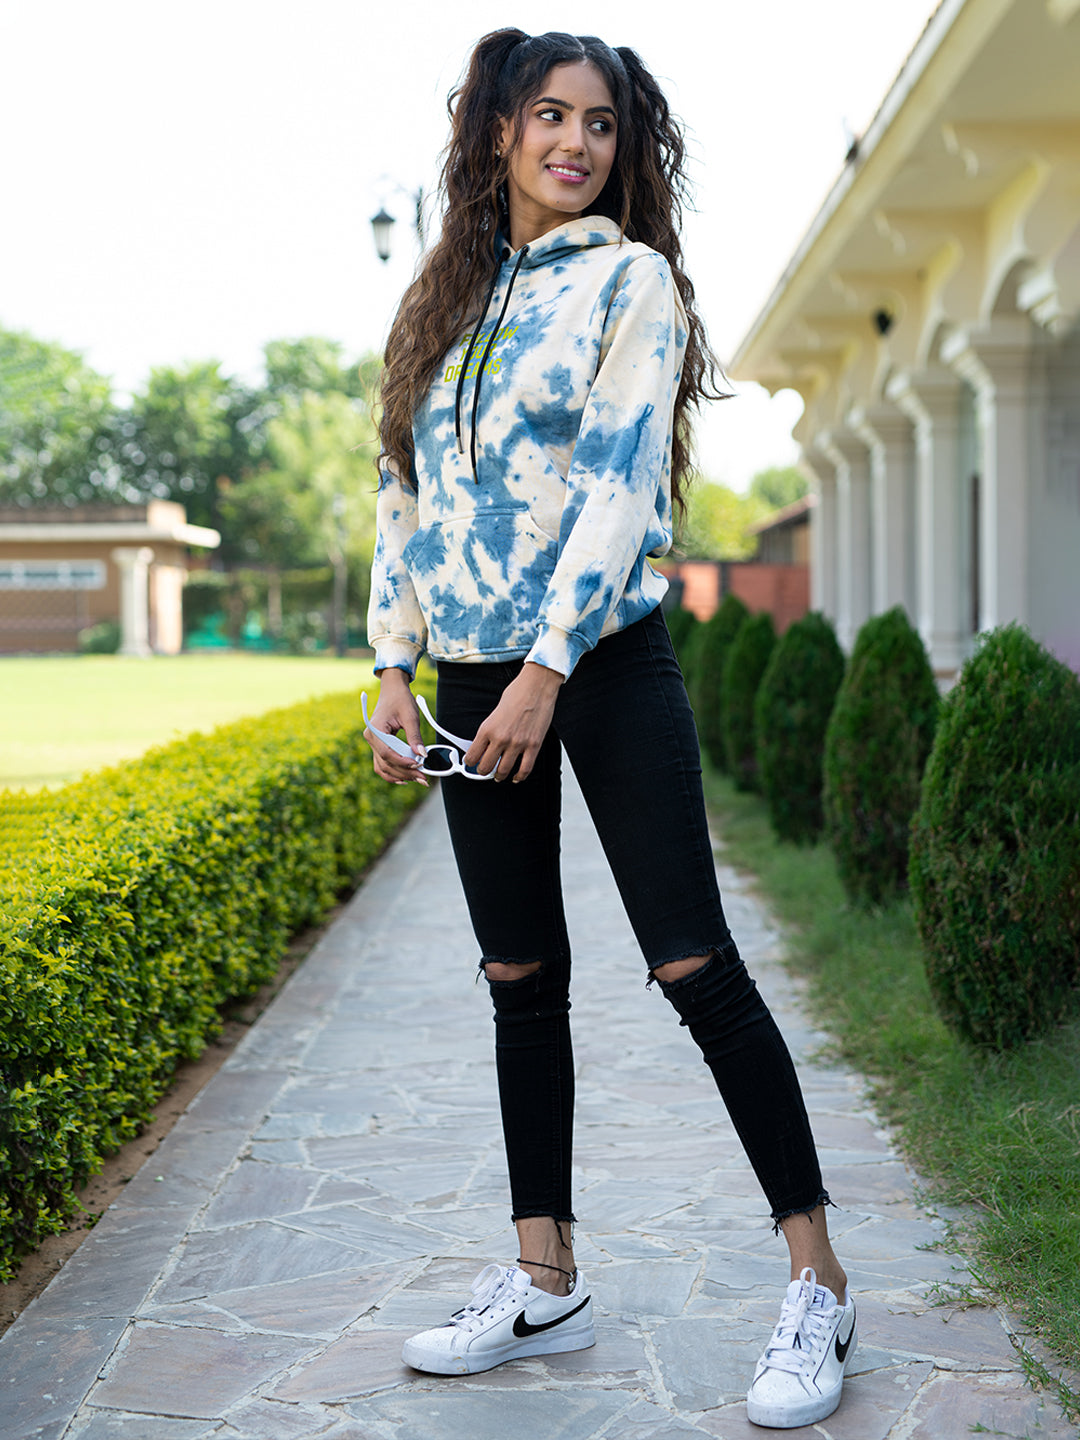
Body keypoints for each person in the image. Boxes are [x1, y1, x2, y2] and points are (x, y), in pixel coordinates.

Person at [363, 28, 856, 1429]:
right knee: (517, 975)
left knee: (694, 963)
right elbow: (400, 494)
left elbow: (620, 481)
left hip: (601, 662)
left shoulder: (632, 282)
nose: (575, 142)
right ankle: (544, 1278)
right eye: (549, 115)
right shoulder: (437, 303)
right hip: (469, 673)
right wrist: (394, 666)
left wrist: (547, 670)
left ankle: (819, 1284)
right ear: (498, 132)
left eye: (600, 123)